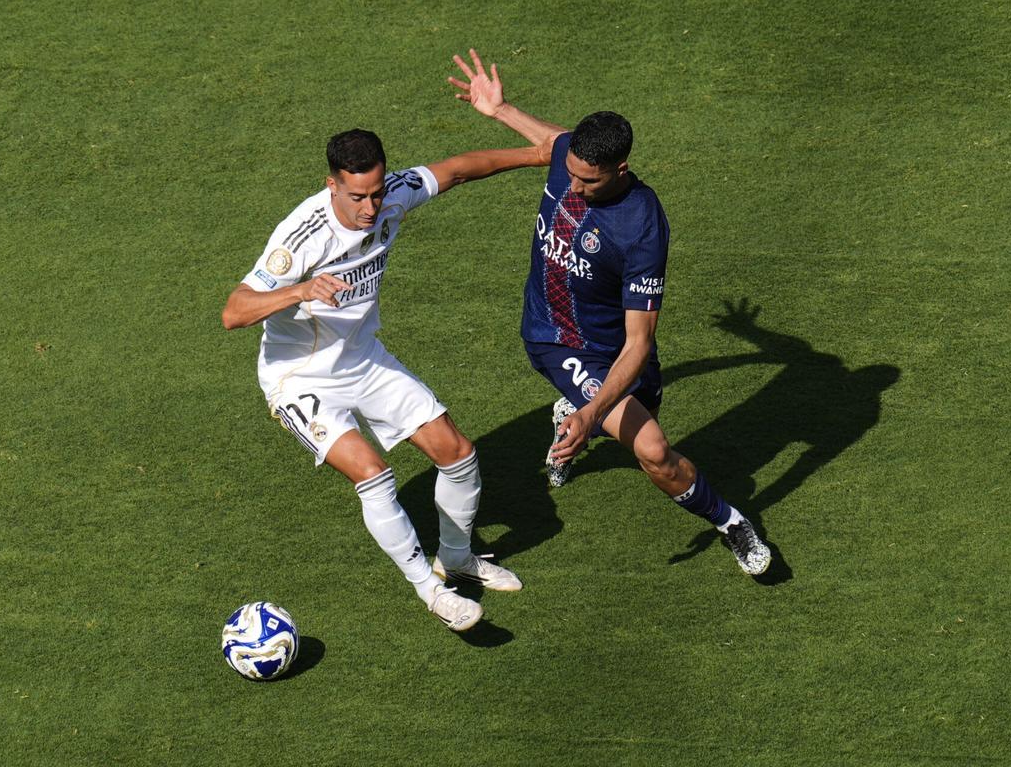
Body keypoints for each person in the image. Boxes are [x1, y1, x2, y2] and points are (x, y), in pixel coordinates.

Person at [448, 49, 771, 575]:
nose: (571, 187)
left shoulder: (643, 226)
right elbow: (553, 143)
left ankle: (572, 415)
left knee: (624, 414)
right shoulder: (571, 159)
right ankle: (730, 521)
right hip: (554, 337)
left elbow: (639, 344)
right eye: (569, 173)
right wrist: (501, 109)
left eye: (587, 181)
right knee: (654, 450)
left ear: (619, 169)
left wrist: (590, 412)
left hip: (615, 348)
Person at [222, 129, 549, 630]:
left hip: (362, 358)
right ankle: (432, 592)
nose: (371, 207)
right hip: (299, 378)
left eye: (376, 193)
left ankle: (457, 558)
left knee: (458, 453)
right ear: (330, 185)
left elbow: (460, 168)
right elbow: (234, 311)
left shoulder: (392, 193)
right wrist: (300, 289)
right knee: (373, 473)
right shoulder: (301, 237)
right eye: (357, 197)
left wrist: (537, 154)